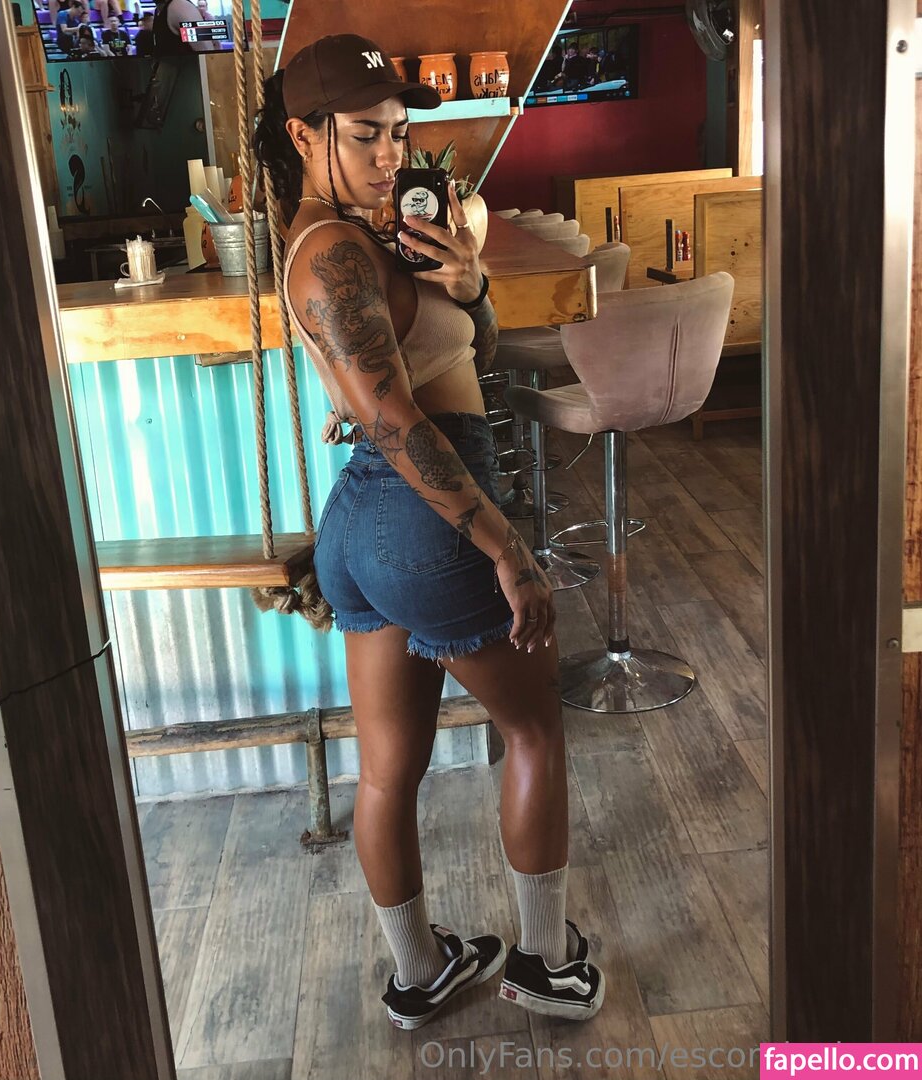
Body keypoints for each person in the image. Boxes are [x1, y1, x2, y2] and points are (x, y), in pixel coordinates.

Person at [254, 33, 605, 1030]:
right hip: (426, 516)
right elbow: (396, 418)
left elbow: (465, 356)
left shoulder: (366, 237)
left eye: (399, 133)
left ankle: (421, 972)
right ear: (303, 136)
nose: (388, 155)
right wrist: (505, 547)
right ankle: (543, 964)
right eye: (364, 134)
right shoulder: (329, 252)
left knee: (388, 767)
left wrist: (470, 284)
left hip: (367, 528)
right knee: (533, 729)